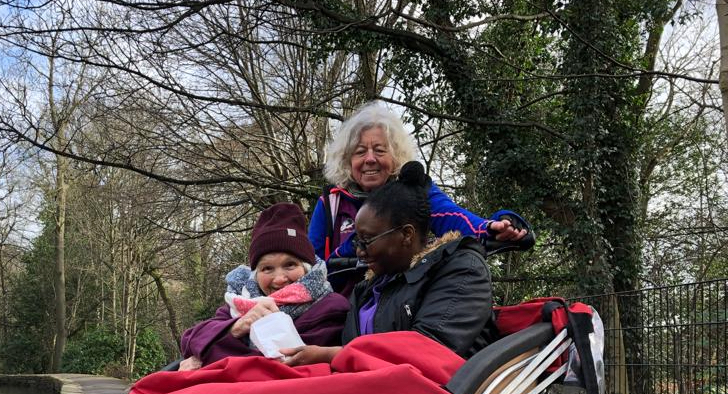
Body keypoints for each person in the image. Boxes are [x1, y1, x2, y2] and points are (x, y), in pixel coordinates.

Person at [283, 161, 494, 366]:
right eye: (357, 241)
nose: (359, 251)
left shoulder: (463, 270)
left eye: (367, 241)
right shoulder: (365, 290)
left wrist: (332, 355)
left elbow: (429, 352)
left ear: (406, 235)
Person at [310, 101, 524, 290]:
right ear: (347, 160)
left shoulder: (415, 191)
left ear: (396, 156)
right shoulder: (331, 203)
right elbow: (312, 267)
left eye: (380, 150)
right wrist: (357, 246)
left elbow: (450, 216)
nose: (370, 159)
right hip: (343, 313)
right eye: (360, 152)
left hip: (403, 301)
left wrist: (488, 228)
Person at [179, 202, 350, 369]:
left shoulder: (330, 306)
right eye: (267, 268)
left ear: (307, 268)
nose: (279, 279)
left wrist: (207, 355)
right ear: (255, 275)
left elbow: (281, 359)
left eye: (290, 265)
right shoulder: (241, 302)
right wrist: (236, 327)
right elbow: (191, 340)